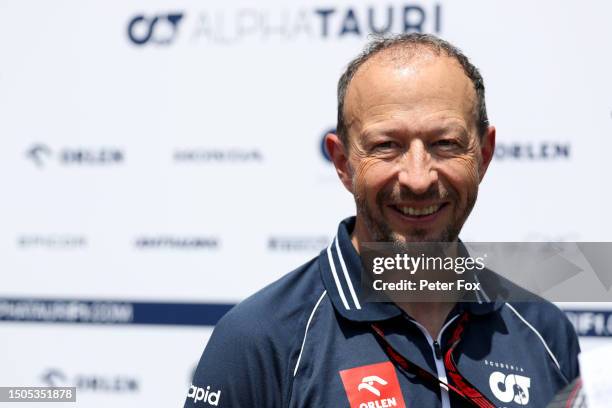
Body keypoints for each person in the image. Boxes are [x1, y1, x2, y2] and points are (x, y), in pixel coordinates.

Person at [184, 33, 581, 408]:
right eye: (386, 146)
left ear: (484, 154)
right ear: (343, 164)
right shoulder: (261, 339)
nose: (418, 177)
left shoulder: (545, 331)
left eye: (445, 144)